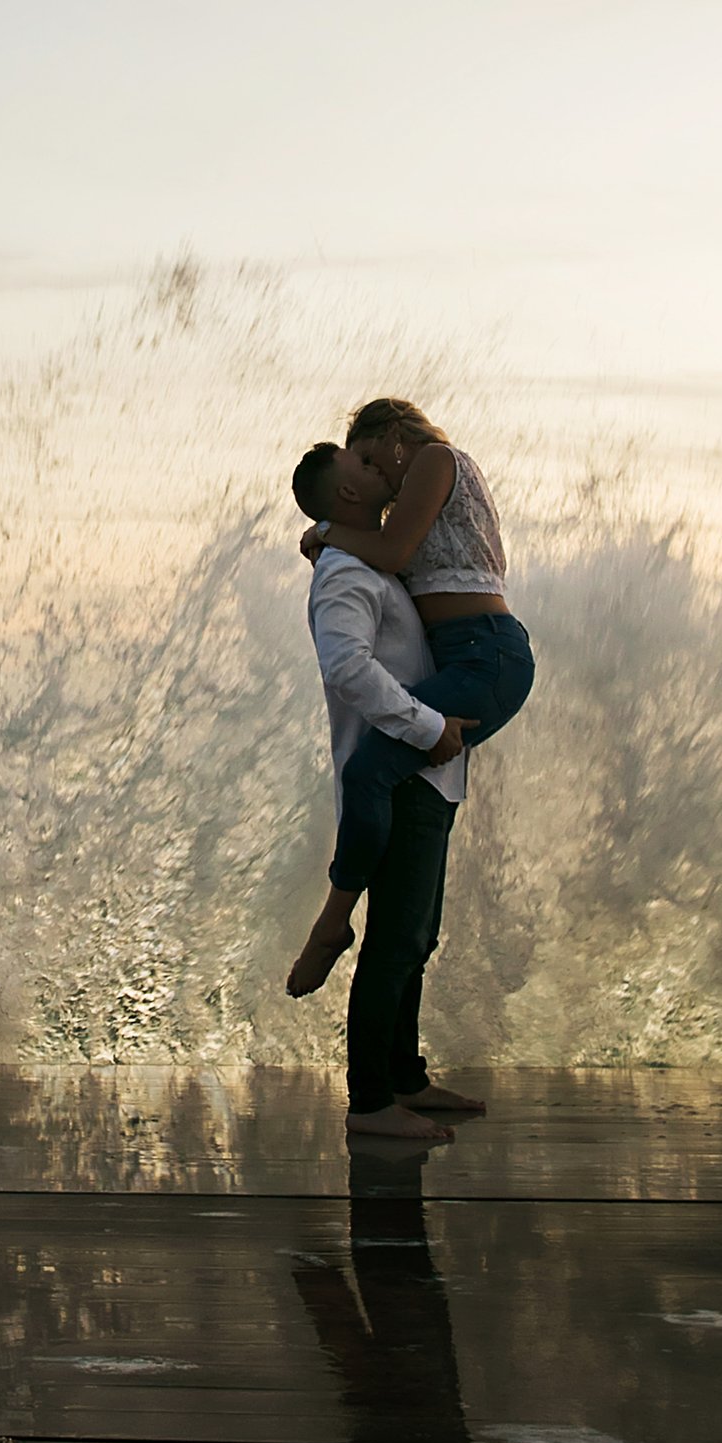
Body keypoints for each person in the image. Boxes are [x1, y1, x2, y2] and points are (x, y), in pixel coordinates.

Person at [288, 401, 534, 1000]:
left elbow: (392, 555)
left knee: (371, 766)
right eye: (361, 466)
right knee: (383, 775)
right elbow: (385, 563)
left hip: (486, 653)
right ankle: (401, 1073)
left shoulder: (432, 459)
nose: (377, 472)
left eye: (373, 456)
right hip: (468, 653)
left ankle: (333, 916)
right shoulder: (405, 502)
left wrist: (324, 532)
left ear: (395, 435)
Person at [291, 434, 490, 1139]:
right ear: (349, 491)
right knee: (394, 940)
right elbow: (346, 666)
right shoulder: (346, 573)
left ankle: (405, 1076)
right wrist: (423, 724)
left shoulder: (375, 565)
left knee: (418, 936)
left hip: (426, 772)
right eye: (367, 466)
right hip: (403, 768)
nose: (382, 470)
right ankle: (371, 1103)